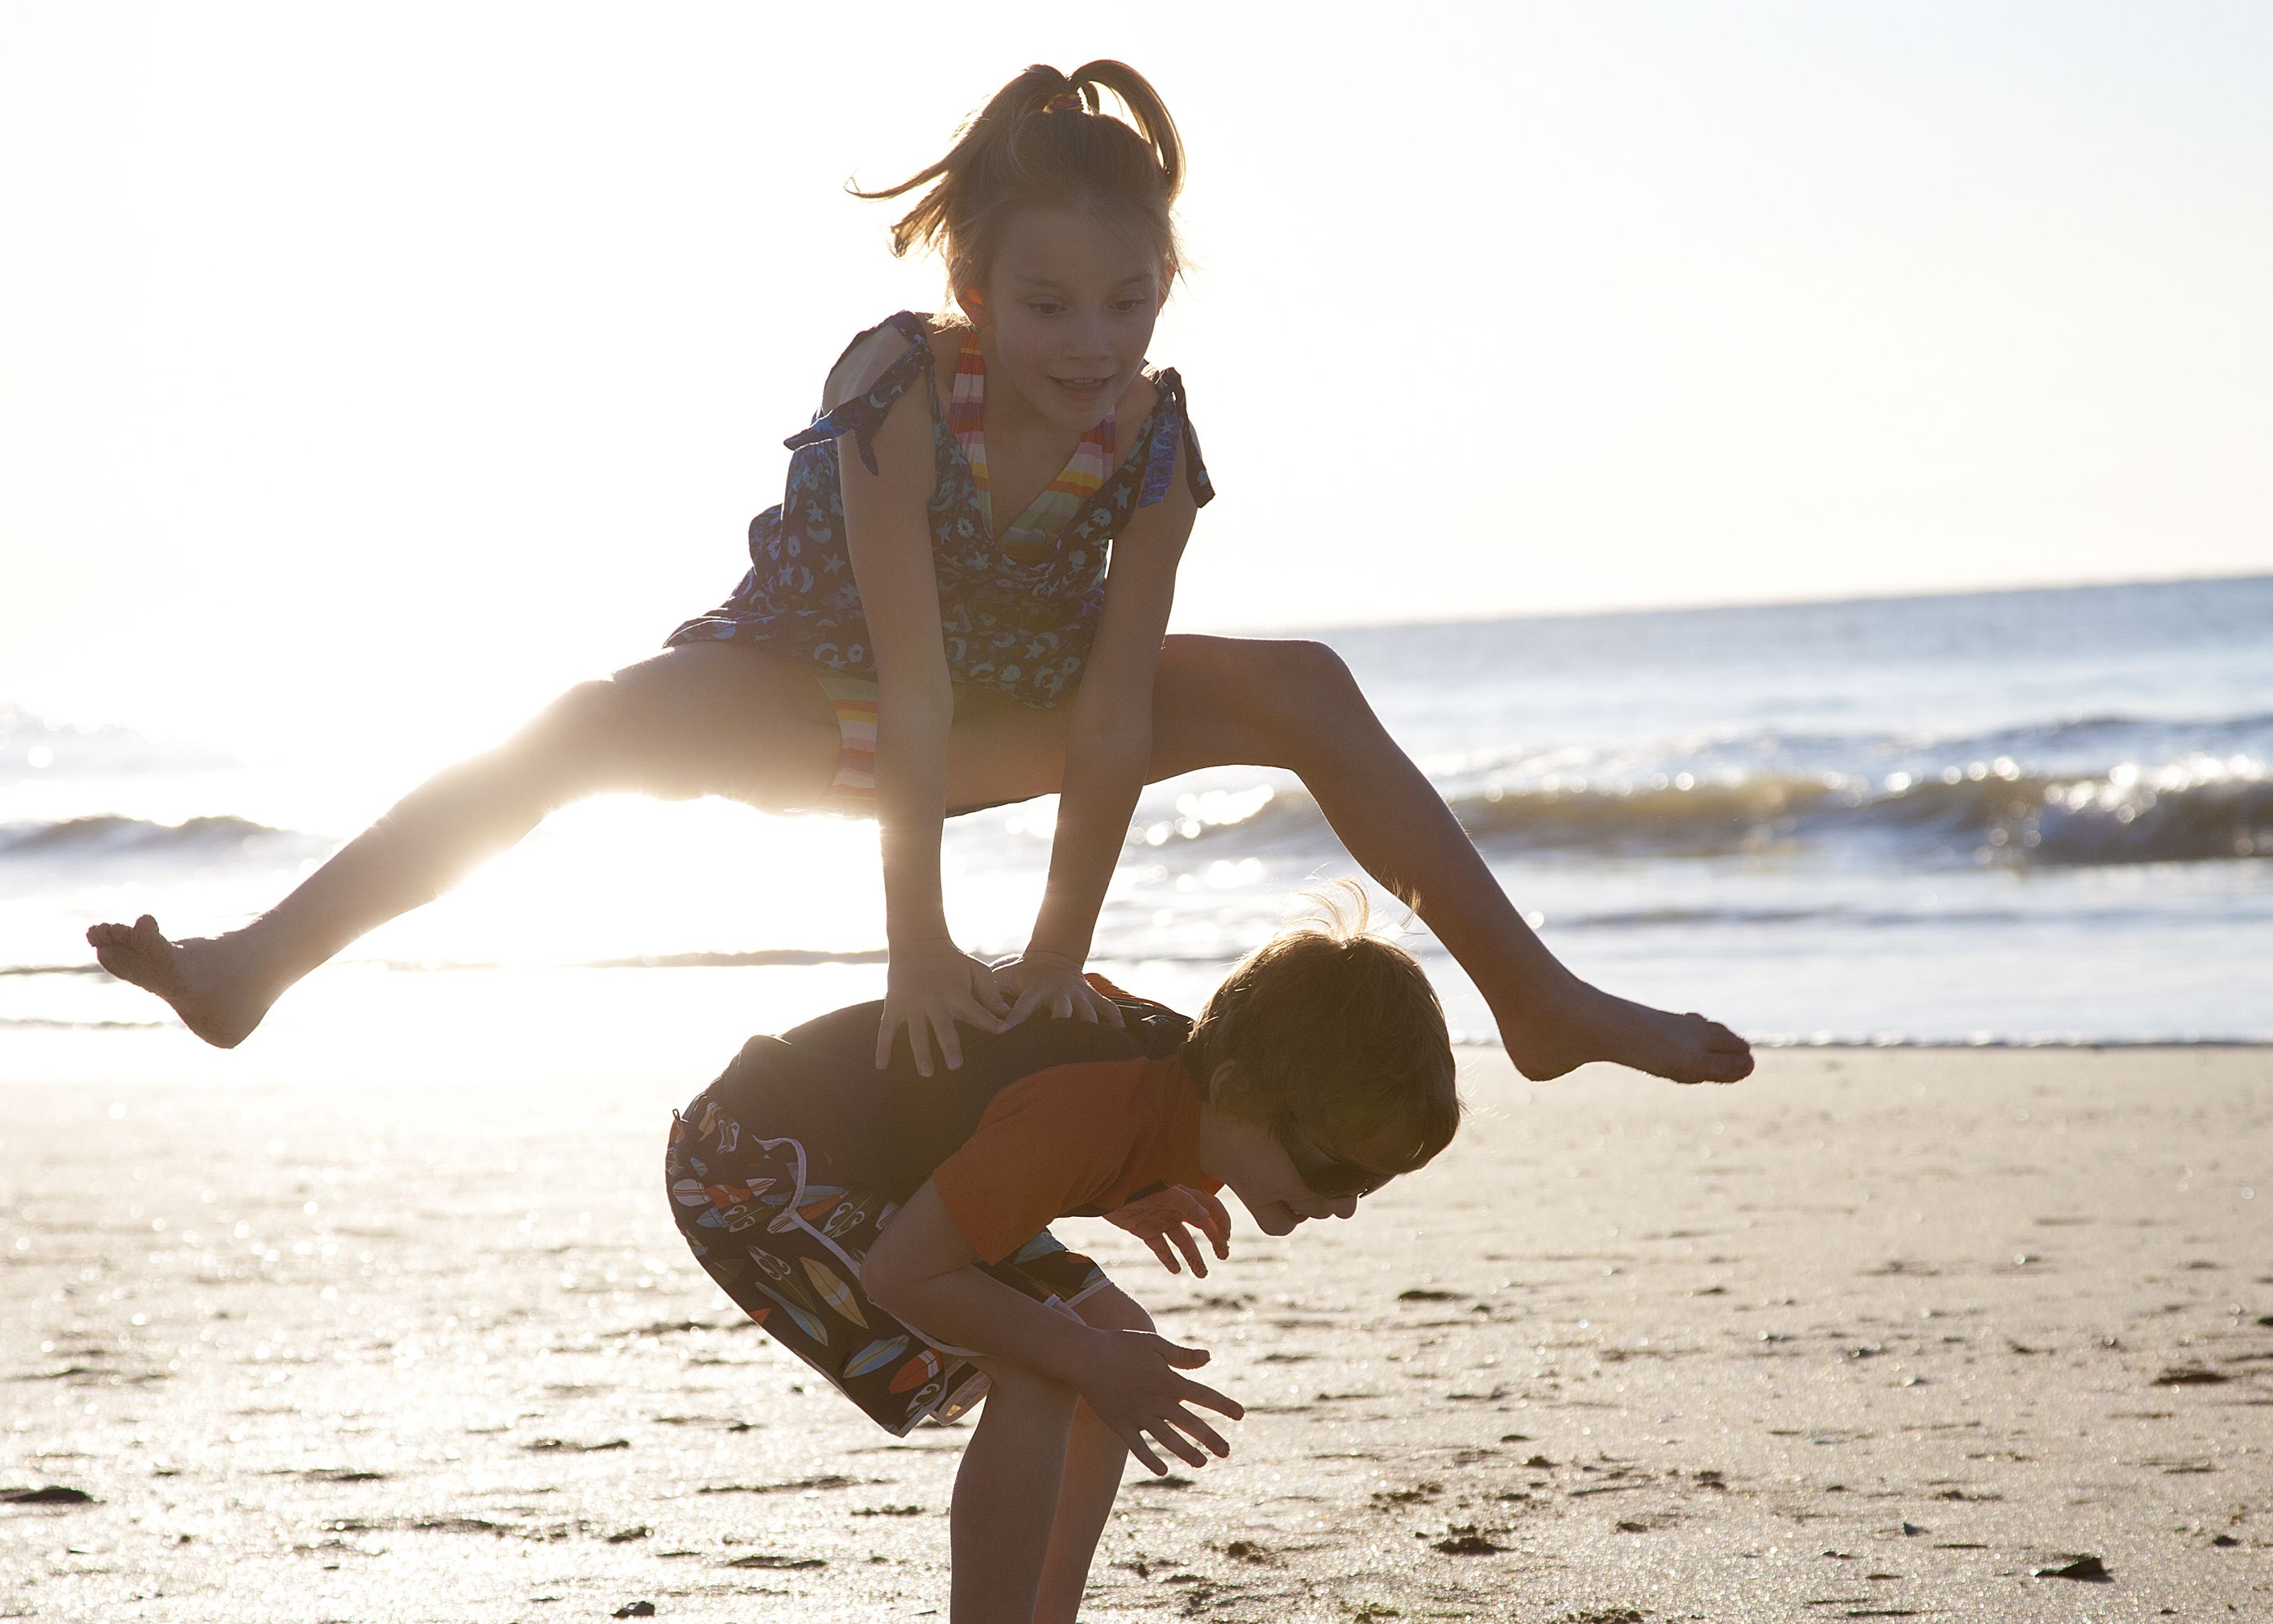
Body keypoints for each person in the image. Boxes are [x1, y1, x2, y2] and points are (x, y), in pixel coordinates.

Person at [87, 58, 1753, 1090]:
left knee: (1304, 683)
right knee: (575, 732)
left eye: (1129, 302)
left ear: (1166, 282)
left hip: (1016, 705)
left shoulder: (1156, 442)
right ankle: (254, 967)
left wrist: (1046, 955)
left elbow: (1108, 716)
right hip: (802, 694)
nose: (1094, 345)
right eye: (1049, 309)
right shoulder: (895, 384)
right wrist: (920, 952)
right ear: (972, 282)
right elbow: (905, 681)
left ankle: (1535, 1000)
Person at [666, 899, 1458, 1624]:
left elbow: (1000, 1078)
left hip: (881, 1164)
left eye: (1372, 1182)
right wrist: (1079, 1347)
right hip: (755, 1166)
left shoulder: (1174, 1079)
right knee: (1047, 1365)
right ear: (1236, 1090)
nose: (1344, 1200)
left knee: (1112, 1333)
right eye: (1333, 1168)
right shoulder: (1092, 1112)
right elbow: (905, 1274)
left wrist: (1122, 1188)